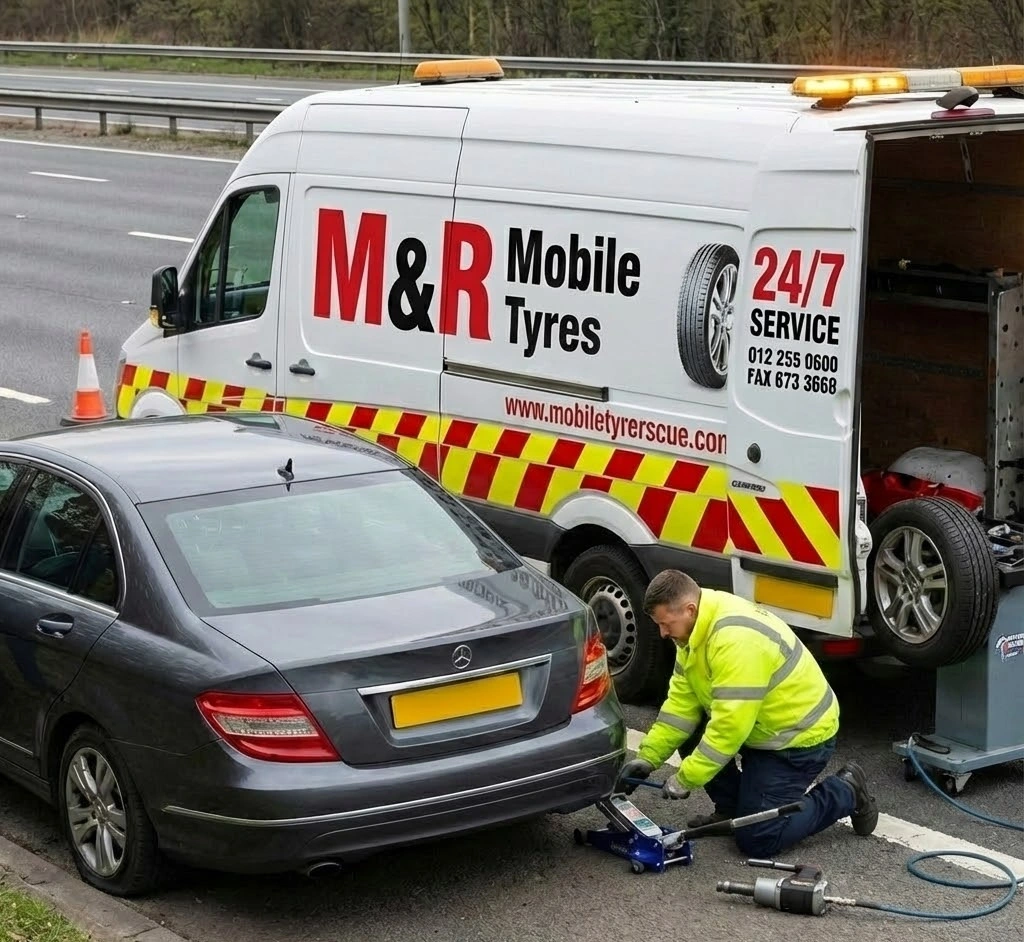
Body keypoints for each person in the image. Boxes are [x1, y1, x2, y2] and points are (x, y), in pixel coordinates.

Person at [617, 569, 878, 858]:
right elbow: (680, 707)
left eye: (666, 624)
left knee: (758, 838)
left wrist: (685, 779)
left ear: (689, 609)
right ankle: (732, 811)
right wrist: (648, 758)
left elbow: (729, 730)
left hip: (794, 741)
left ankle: (846, 791)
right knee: (691, 729)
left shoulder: (734, 642)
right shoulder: (694, 631)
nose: (663, 633)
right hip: (760, 729)